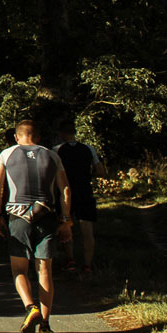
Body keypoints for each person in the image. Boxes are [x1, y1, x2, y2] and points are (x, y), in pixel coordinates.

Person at [0, 118, 72, 333]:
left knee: (19, 269)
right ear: (37, 137)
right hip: (46, 215)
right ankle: (45, 326)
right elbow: (65, 188)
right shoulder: (52, 155)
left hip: (17, 217)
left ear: (17, 137)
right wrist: (66, 220)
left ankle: (30, 307)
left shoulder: (6, 155)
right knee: (44, 271)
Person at [54, 119, 106, 279]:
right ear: (75, 132)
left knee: (66, 225)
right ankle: (88, 265)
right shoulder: (89, 149)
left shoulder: (56, 150)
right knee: (87, 230)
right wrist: (88, 175)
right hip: (85, 191)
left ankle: (70, 260)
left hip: (65, 193)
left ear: (62, 133)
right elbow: (101, 171)